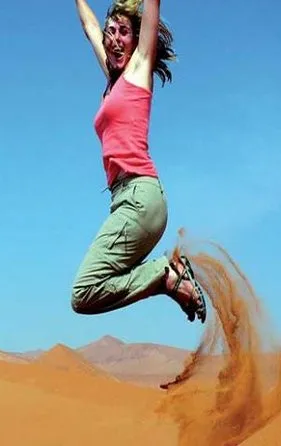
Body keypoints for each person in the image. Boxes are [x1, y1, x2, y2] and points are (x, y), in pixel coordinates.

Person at [70, 0, 207, 323]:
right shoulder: (114, 82)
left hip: (140, 196)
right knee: (87, 292)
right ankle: (168, 278)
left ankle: (165, 275)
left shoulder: (139, 70)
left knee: (84, 291)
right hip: (125, 200)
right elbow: (89, 26)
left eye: (124, 32)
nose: (115, 39)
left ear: (136, 41)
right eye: (111, 32)